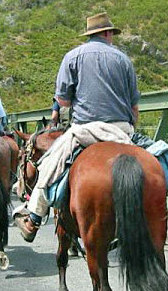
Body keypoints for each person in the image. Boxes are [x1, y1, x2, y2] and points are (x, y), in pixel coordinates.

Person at [14, 12, 139, 241]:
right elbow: (134, 106)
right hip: (121, 131)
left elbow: (62, 101)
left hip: (84, 131)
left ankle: (33, 219)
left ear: (91, 34)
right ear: (108, 33)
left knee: (49, 166)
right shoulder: (124, 59)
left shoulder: (72, 57)